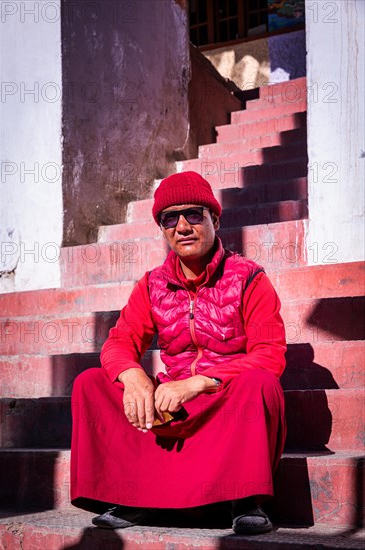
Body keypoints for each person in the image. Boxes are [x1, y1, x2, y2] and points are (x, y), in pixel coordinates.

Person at [70, 171, 287, 535]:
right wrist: (134, 376)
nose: (183, 226)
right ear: (162, 228)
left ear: (215, 219)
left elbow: (270, 354)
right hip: (169, 408)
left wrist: (199, 383)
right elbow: (119, 342)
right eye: (171, 218)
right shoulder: (152, 284)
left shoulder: (250, 278)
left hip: (221, 402)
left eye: (194, 214)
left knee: (260, 384)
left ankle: (244, 499)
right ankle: (132, 495)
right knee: (90, 382)